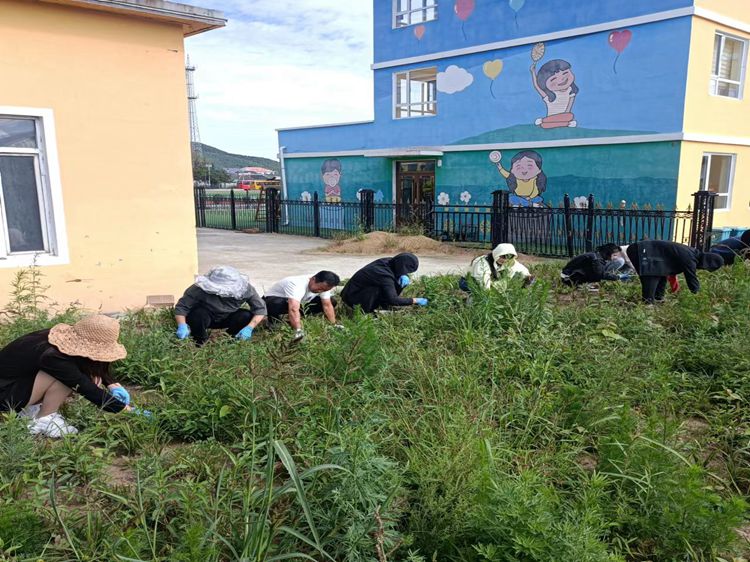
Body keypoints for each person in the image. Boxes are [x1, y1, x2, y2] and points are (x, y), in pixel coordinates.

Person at [0, 315, 144, 438]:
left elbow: (94, 366)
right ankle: (44, 419)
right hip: (4, 396)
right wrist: (127, 410)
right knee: (67, 379)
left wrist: (112, 384)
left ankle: (28, 410)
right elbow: (86, 388)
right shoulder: (53, 357)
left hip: (14, 384)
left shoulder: (56, 339)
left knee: (83, 375)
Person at [174, 266, 266, 346]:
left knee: (245, 315)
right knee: (197, 314)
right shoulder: (200, 288)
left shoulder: (246, 289)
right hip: (206, 316)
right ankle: (199, 341)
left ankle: (231, 338)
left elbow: (260, 308)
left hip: (229, 316)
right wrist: (182, 325)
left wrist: (249, 327)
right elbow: (182, 307)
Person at [626, 240, 724, 303]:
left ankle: (658, 299)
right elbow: (691, 278)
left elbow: (668, 272)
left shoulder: (693, 255)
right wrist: (698, 295)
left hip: (645, 251)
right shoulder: (690, 258)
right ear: (707, 263)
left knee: (661, 273)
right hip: (640, 250)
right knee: (652, 274)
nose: (704, 269)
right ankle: (648, 303)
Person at [263, 271, 341, 341]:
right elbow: (293, 308)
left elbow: (327, 305)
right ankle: (273, 322)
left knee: (332, 301)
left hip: (298, 302)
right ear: (313, 279)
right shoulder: (297, 284)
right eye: (320, 288)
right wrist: (298, 331)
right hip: (272, 302)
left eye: (324, 290)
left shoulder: (323, 286)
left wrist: (333, 324)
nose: (321, 291)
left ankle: (295, 319)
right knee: (276, 303)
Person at [341, 253, 428, 314]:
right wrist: (415, 300)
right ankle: (365, 312)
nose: (407, 273)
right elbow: (393, 300)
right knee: (377, 289)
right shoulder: (384, 275)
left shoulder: (390, 261)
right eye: (406, 271)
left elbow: (399, 268)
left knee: (394, 283)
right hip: (352, 297)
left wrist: (403, 275)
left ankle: (383, 305)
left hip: (357, 290)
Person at [464, 243, 533, 291]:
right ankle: (471, 300)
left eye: (509, 257)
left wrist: (528, 277)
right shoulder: (483, 262)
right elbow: (483, 281)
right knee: (478, 290)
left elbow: (520, 268)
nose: (505, 260)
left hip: (491, 281)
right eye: (503, 256)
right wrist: (488, 294)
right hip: (469, 281)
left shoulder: (510, 262)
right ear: (497, 254)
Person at [561, 243, 630, 286]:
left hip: (569, 276)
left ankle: (584, 283)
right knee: (597, 274)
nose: (615, 258)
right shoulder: (596, 259)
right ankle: (581, 284)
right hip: (568, 278)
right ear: (608, 253)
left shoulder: (597, 255)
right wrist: (618, 277)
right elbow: (600, 274)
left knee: (596, 273)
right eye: (614, 255)